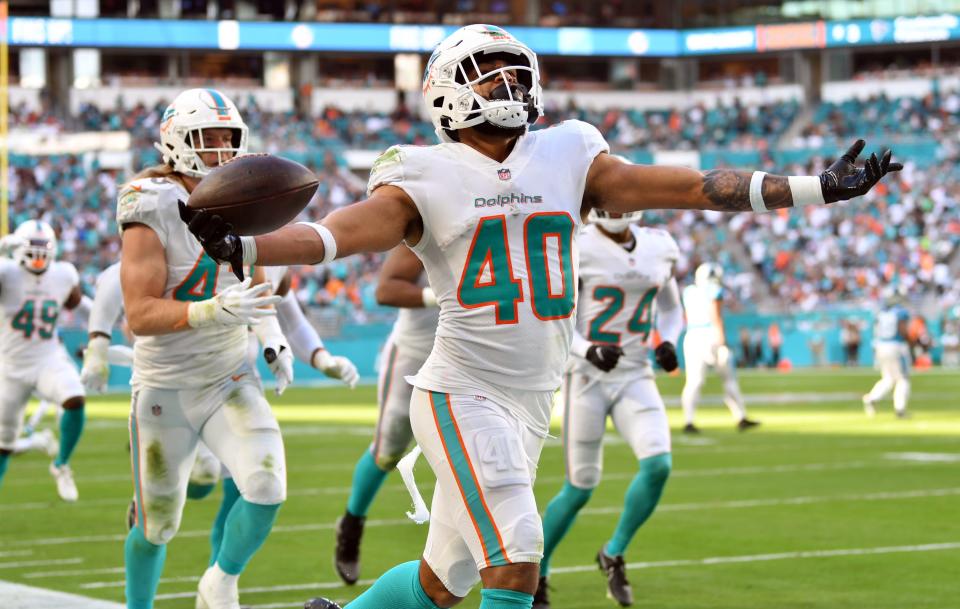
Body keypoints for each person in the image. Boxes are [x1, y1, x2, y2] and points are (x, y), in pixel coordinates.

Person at [181, 24, 899, 609]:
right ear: (448, 92)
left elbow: (690, 185)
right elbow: (339, 232)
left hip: (532, 401)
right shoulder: (420, 170)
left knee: (444, 581)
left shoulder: (570, 150)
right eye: (489, 73)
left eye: (515, 71)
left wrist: (816, 188)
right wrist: (248, 242)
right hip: (462, 391)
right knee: (520, 555)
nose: (509, 85)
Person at [118, 88, 292, 609]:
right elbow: (139, 314)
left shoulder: (243, 198)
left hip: (228, 377)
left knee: (267, 488)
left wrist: (273, 339)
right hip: (164, 388)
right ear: (176, 140)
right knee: (158, 527)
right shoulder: (148, 203)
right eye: (206, 138)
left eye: (227, 138)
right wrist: (209, 311)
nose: (219, 149)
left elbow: (258, 287)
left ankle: (220, 579)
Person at [534, 204, 683, 608]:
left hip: (636, 374)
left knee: (658, 465)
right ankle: (537, 573)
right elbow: (554, 315)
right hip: (585, 377)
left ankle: (613, 552)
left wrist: (668, 341)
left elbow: (670, 308)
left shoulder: (659, 245)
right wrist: (587, 349)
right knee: (580, 487)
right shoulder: (576, 244)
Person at [335, 245, 439, 585]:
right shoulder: (436, 219)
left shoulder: (502, 222)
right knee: (389, 449)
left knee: (465, 454)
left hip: (465, 357)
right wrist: (441, 296)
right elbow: (386, 289)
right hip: (414, 352)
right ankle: (352, 523)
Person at [0, 220, 87, 501]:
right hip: (10, 365)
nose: (38, 256)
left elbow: (78, 304)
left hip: (47, 356)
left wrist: (99, 332)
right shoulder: (7, 271)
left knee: (75, 397)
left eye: (44, 249)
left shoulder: (63, 274)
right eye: (32, 249)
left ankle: (61, 464)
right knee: (4, 444)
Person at [680, 263, 759, 434]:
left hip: (692, 335)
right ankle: (741, 416)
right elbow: (716, 316)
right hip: (710, 334)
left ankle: (688, 420)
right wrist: (721, 340)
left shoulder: (689, 291)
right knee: (728, 378)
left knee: (694, 381)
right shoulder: (714, 289)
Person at [862, 288, 911, 418]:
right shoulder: (900, 312)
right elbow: (902, 330)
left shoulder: (881, 313)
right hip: (895, 345)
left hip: (880, 345)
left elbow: (876, 331)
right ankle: (900, 409)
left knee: (888, 378)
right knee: (902, 379)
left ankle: (872, 398)